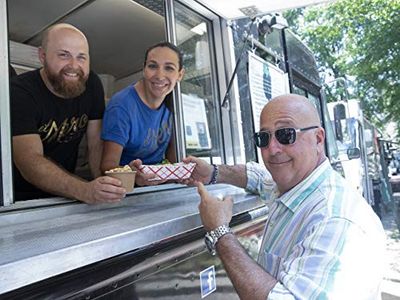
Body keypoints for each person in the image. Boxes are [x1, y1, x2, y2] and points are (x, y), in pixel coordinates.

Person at [184, 94, 386, 299]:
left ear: (318, 139)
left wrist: (220, 232)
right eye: (263, 138)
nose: (272, 149)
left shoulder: (334, 219)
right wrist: (212, 173)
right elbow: (258, 177)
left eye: (286, 135)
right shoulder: (294, 185)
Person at [11, 23, 126, 203]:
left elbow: (95, 144)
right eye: (64, 55)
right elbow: (29, 161)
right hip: (20, 199)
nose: (73, 66)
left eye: (81, 57)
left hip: (65, 194)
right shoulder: (19, 92)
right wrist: (84, 190)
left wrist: (107, 186)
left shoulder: (92, 84)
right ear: (42, 56)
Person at [100, 42, 184, 186]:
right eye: (152, 66)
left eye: (169, 68)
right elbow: (107, 167)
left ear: (180, 75)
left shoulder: (175, 104)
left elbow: (174, 159)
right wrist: (134, 177)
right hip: (128, 188)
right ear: (144, 69)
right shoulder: (121, 105)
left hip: (162, 186)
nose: (160, 75)